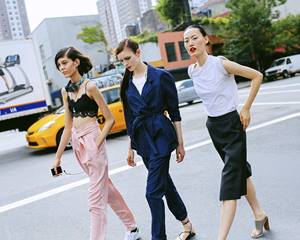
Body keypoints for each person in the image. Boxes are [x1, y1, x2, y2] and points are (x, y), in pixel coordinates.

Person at [183, 25, 269, 240]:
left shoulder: (221, 64)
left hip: (232, 125)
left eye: (194, 38)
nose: (190, 43)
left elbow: (256, 76)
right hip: (213, 127)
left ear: (205, 40)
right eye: (186, 41)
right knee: (240, 171)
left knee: (230, 181)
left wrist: (246, 107)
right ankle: (259, 214)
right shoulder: (192, 71)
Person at [52, 47, 141, 240]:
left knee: (95, 199)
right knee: (106, 189)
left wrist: (96, 144)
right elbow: (67, 127)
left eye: (65, 63)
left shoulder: (90, 87)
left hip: (93, 140)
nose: (62, 68)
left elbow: (108, 119)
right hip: (78, 143)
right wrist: (57, 158)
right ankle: (132, 228)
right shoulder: (65, 91)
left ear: (76, 63)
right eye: (59, 65)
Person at [116, 39, 195, 240]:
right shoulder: (126, 84)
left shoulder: (161, 76)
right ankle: (187, 224)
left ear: (138, 52)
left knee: (152, 193)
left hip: (161, 136)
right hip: (143, 140)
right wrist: (131, 148)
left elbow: (175, 112)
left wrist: (180, 143)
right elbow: (130, 118)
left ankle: (158, 237)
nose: (125, 63)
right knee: (165, 184)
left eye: (127, 58)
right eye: (121, 61)